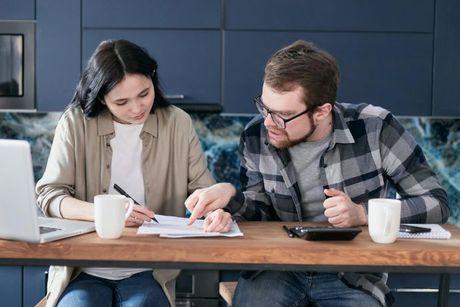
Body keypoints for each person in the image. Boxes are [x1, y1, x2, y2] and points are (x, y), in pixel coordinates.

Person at [185, 40, 450, 306]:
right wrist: (229, 196)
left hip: (353, 273)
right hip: (276, 267)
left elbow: (435, 203)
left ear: (322, 111)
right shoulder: (255, 135)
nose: (268, 122)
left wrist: (362, 214)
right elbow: (261, 209)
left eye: (282, 115)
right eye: (264, 108)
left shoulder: (376, 128)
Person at [35, 39, 232, 307]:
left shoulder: (177, 123)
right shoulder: (75, 124)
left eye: (144, 94)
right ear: (102, 98)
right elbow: (49, 196)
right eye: (121, 101)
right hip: (82, 269)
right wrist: (108, 214)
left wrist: (214, 211)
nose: (137, 108)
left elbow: (203, 190)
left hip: (148, 269)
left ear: (153, 78)